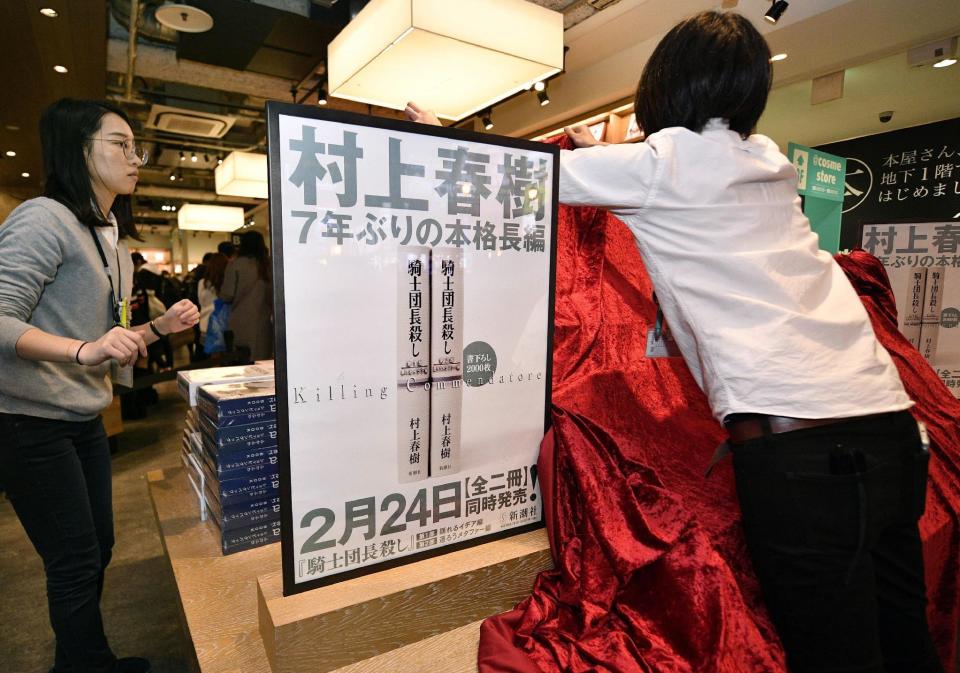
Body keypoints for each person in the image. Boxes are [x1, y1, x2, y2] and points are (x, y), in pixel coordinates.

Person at [405, 11, 942, 673]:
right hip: (893, 435)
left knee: (834, 653)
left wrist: (435, 139)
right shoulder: (766, 160)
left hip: (805, 456)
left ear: (665, 83)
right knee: (905, 639)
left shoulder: (664, 164)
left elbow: (516, 178)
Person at [0, 98, 199, 673]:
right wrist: (85, 350)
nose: (135, 157)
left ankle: (80, 662)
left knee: (96, 550)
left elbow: (107, 337)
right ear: (78, 150)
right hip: (27, 420)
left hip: (80, 415)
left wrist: (158, 328)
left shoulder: (110, 240)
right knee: (74, 557)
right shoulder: (42, 217)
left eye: (135, 146)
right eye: (120, 144)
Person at [220, 231, 273, 361]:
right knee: (263, 361)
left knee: (243, 361)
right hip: (264, 321)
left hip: (240, 321)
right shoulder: (269, 264)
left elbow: (227, 295)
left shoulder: (235, 264)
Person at [196, 252, 228, 359]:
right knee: (223, 359)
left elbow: (200, 302)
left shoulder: (202, 283)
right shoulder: (227, 283)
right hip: (223, 325)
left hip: (204, 324)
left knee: (209, 359)